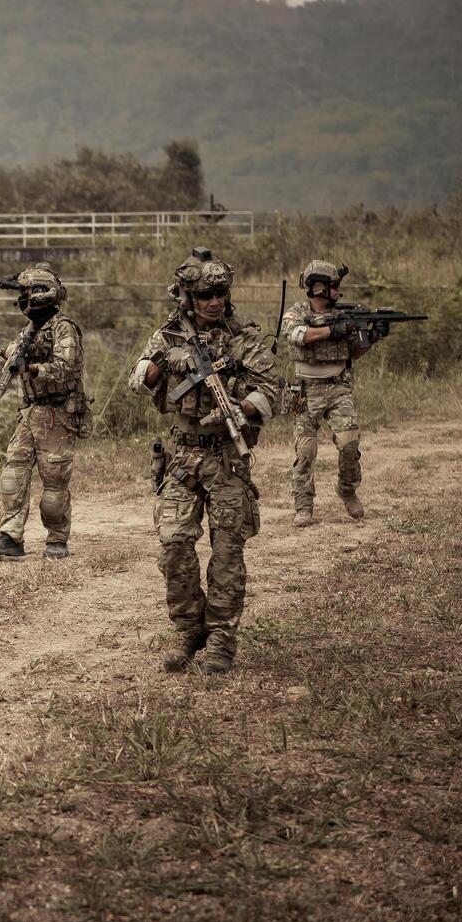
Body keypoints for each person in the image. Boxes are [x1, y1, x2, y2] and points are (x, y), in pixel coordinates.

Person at [128, 248, 279, 675]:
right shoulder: (168, 334)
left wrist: (240, 407)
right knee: (174, 545)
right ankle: (189, 629)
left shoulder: (244, 336)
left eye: (220, 293)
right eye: (205, 295)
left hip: (227, 458)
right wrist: (164, 360)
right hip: (182, 456)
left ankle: (221, 638)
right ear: (188, 297)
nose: (214, 301)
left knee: (228, 552)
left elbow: (272, 391)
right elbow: (137, 382)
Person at [0, 262, 89, 560]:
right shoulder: (30, 328)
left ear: (42, 295)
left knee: (54, 482)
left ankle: (56, 539)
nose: (22, 300)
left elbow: (66, 369)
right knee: (13, 473)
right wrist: (11, 354)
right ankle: (10, 536)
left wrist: (31, 367)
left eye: (26, 293)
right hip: (30, 412)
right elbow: (10, 352)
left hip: (58, 414)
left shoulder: (63, 328)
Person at [281, 261, 387, 526]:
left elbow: (353, 353)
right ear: (319, 288)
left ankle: (348, 489)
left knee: (350, 443)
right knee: (305, 451)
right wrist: (331, 330)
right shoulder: (296, 313)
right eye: (334, 286)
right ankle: (303, 505)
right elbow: (296, 335)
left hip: (338, 386)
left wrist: (372, 338)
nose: (339, 292)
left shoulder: (344, 315)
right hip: (305, 390)